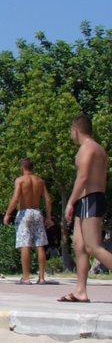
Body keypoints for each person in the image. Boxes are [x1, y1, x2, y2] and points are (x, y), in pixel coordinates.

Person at [59, 115, 111, 302]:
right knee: (79, 246)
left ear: (76, 130)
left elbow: (82, 178)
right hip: (89, 200)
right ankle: (81, 291)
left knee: (93, 247)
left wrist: (71, 202)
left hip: (90, 199)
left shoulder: (86, 149)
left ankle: (81, 290)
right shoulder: (99, 148)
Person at [3, 158, 53, 284]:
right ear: (32, 167)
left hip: (25, 212)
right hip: (36, 212)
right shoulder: (39, 181)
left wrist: (8, 214)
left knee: (25, 244)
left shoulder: (20, 180)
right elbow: (47, 199)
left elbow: (15, 198)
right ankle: (41, 278)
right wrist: (48, 217)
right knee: (40, 244)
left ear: (22, 168)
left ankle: (26, 277)